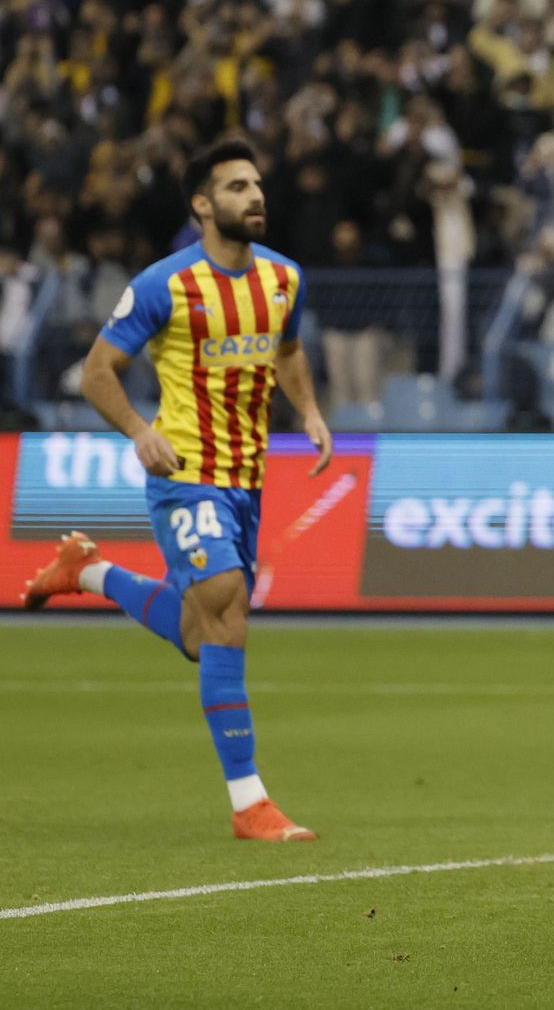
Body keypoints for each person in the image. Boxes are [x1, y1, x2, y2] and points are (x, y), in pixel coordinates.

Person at [20, 138, 334, 843]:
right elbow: (97, 369)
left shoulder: (284, 278)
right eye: (236, 187)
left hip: (247, 478)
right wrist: (137, 430)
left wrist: (309, 411)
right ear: (202, 206)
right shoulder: (165, 284)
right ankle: (251, 802)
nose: (255, 196)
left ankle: (86, 569)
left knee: (200, 634)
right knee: (227, 613)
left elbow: (287, 351)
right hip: (184, 475)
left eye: (257, 184)